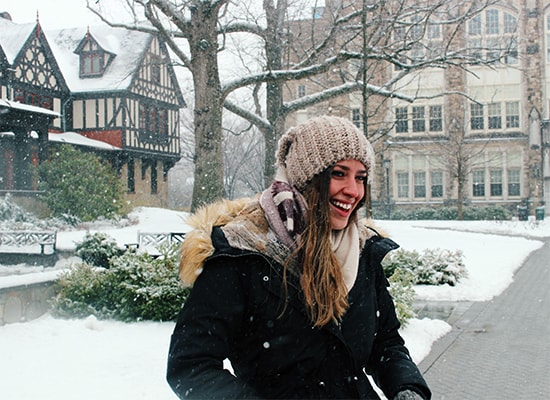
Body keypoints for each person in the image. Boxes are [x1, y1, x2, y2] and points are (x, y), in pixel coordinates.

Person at [167, 115, 431, 400]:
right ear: (307, 178)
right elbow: (192, 366)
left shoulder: (364, 251)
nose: (353, 191)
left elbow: (386, 344)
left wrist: (407, 387)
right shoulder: (241, 254)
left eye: (361, 178)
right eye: (339, 174)